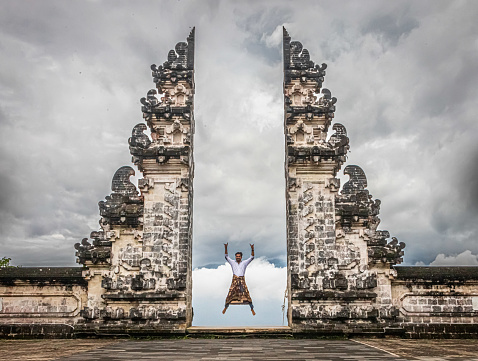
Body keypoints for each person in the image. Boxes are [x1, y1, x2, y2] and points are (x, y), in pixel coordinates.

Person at [222, 243, 256, 316]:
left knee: (246, 293)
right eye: (236, 256)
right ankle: (225, 307)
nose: (237, 257)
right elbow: (226, 256)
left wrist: (252, 249)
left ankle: (252, 308)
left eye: (239, 256)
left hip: (242, 279)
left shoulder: (244, 263)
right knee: (230, 293)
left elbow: (252, 257)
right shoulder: (232, 262)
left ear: (241, 257)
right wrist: (225, 247)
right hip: (235, 279)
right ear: (235, 257)